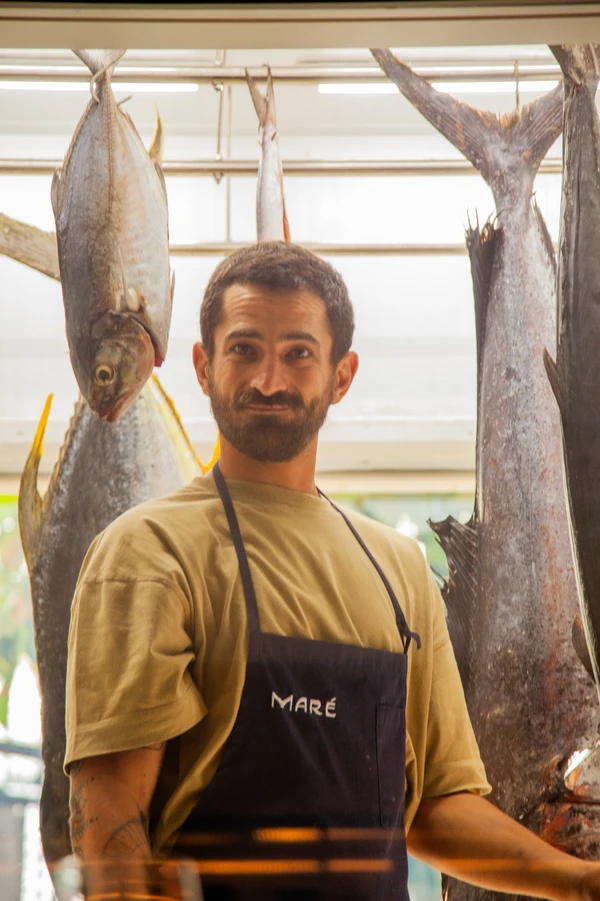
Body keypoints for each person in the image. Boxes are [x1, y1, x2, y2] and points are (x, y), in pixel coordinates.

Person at [65, 242, 600, 900]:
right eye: (243, 349)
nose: (269, 379)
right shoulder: (148, 550)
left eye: (298, 353)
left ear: (340, 375)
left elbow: (435, 807)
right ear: (203, 367)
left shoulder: (397, 567)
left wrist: (582, 882)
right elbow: (109, 822)